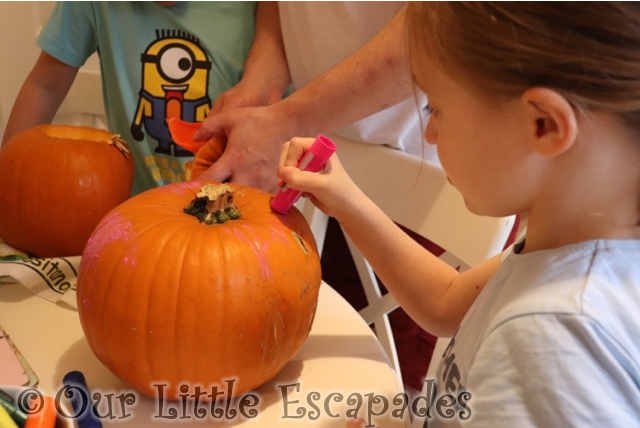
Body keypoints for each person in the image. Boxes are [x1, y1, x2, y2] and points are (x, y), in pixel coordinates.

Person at [279, 2, 640, 427]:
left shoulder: (549, 339)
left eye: (435, 109)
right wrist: (347, 201)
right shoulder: (577, 255)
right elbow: (447, 303)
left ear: (543, 124)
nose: (430, 133)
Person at [1, 1, 286, 196]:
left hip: (237, 214)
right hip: (135, 215)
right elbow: (45, 86)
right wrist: (8, 178)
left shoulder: (268, 8)